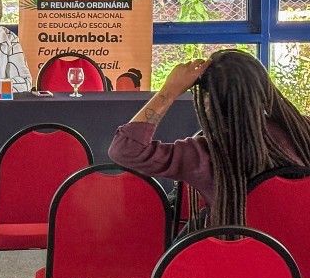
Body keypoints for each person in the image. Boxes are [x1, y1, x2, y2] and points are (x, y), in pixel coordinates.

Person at [108, 49, 310, 227]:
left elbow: (125, 150)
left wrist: (169, 91)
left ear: (207, 102)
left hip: (239, 256)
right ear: (265, 90)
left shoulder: (204, 155)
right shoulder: (301, 132)